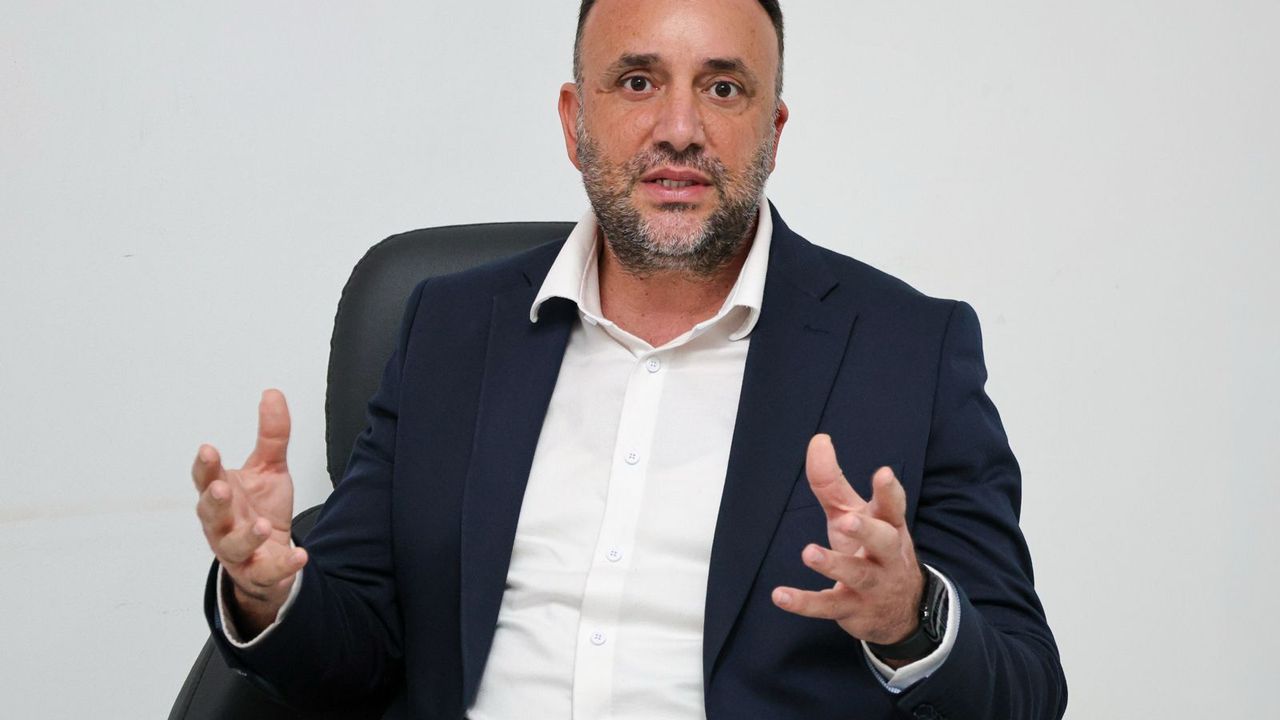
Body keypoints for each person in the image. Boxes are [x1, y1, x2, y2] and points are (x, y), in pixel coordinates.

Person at [192, 1, 1068, 718]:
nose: (679, 129)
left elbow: (1025, 691)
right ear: (575, 122)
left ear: (773, 130)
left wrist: (911, 617)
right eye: (639, 81)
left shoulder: (909, 350)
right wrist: (270, 593)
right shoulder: (450, 328)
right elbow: (351, 657)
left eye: (723, 88)